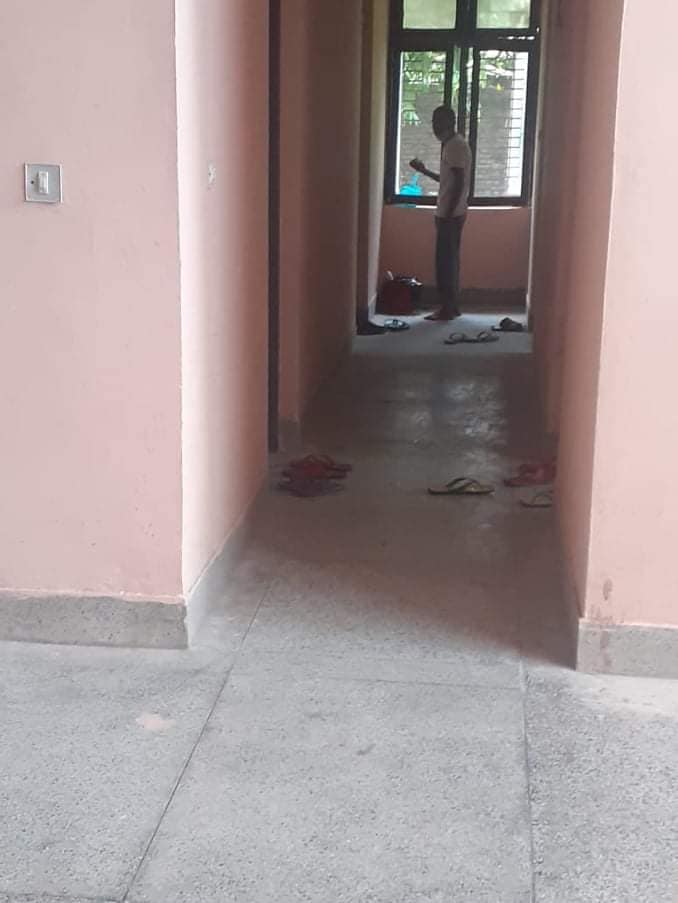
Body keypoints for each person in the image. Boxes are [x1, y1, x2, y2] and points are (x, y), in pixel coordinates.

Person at [410, 106, 472, 321]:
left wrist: (447, 213)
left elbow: (459, 182)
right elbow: (448, 180)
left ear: (448, 122)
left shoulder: (454, 146)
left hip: (450, 215)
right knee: (450, 261)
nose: (434, 126)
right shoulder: (454, 145)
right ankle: (452, 307)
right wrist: (423, 170)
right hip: (453, 213)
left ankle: (447, 308)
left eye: (438, 122)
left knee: (445, 264)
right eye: (434, 121)